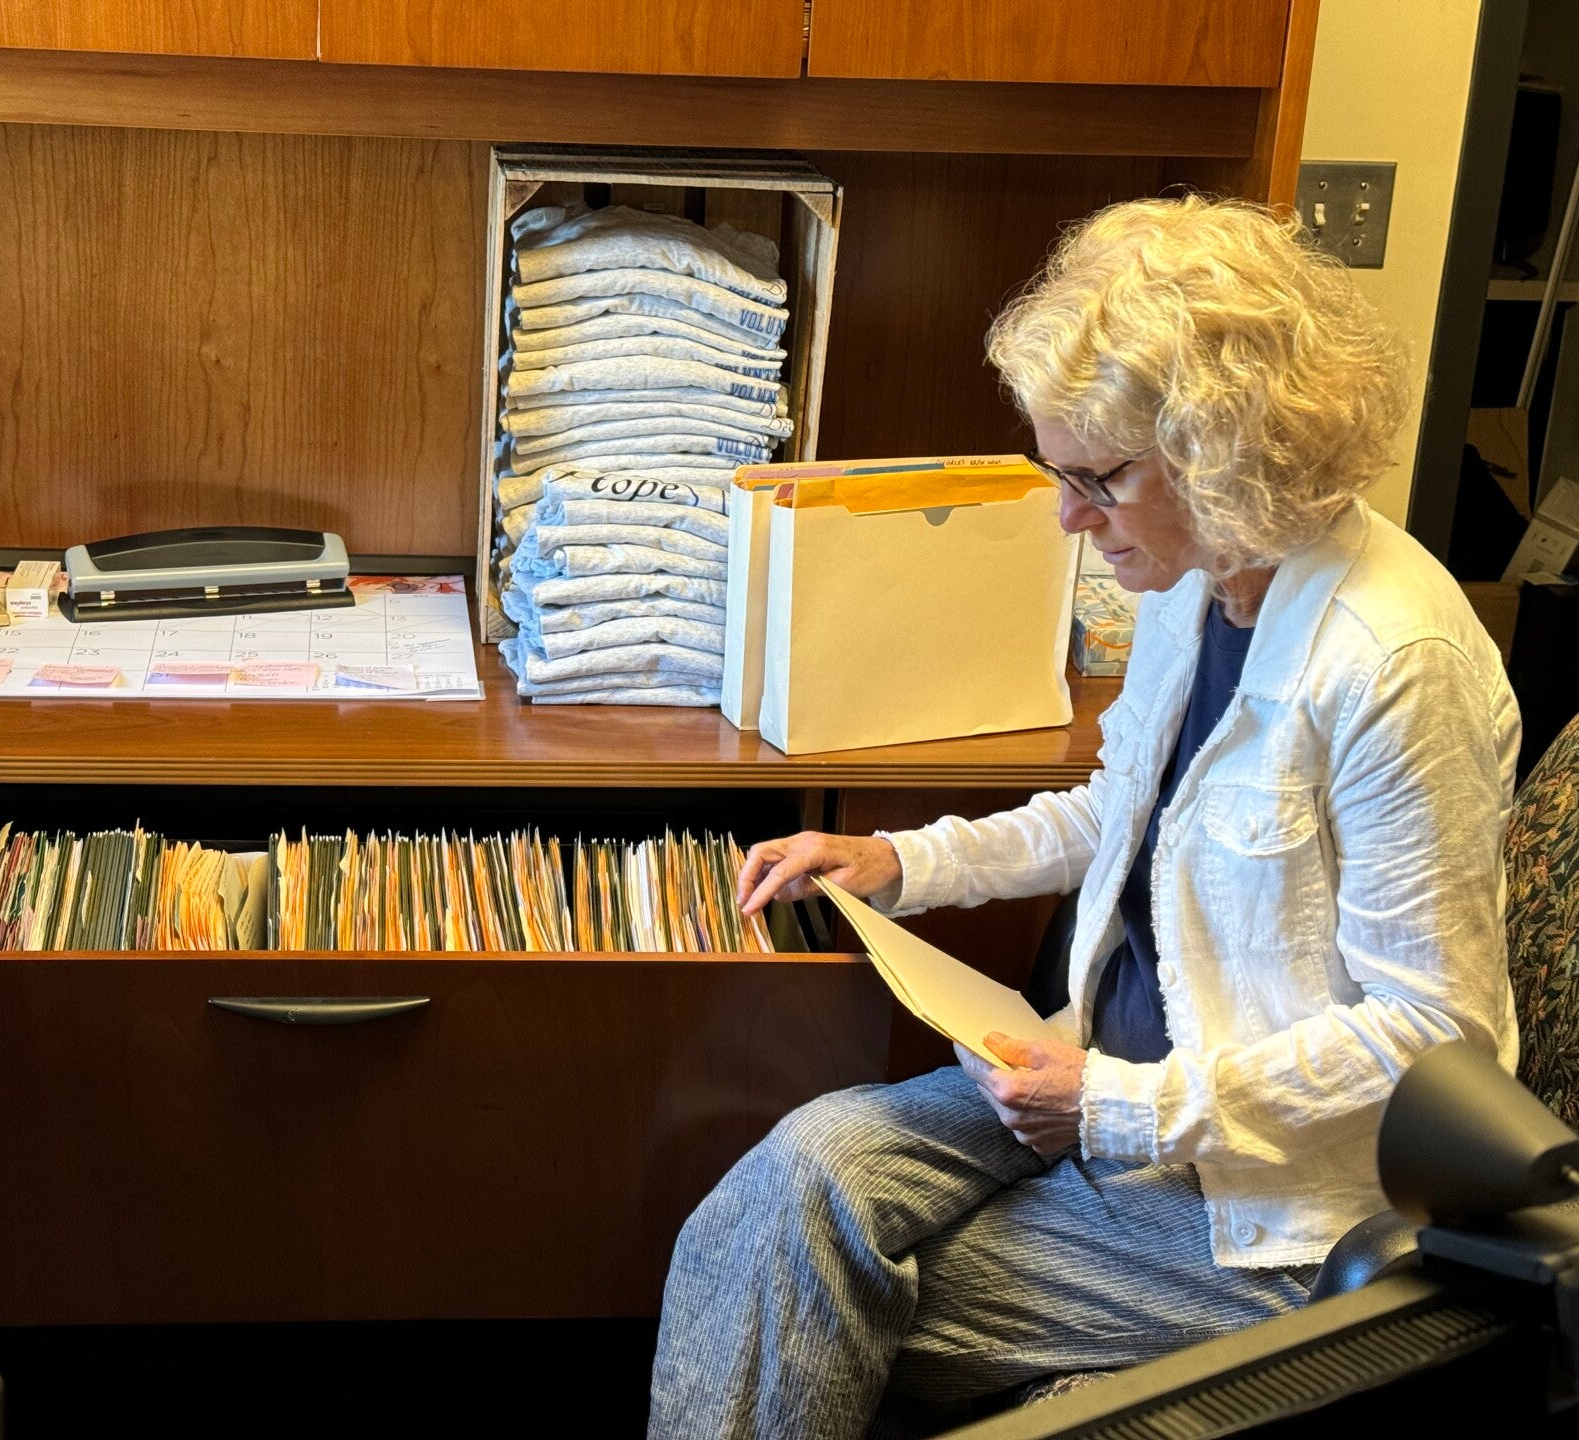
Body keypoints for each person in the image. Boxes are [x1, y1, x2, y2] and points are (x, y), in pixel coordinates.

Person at [648, 195, 1522, 1439]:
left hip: (1263, 1200)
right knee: (789, 1179)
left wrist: (1114, 1108)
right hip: (1091, 1076)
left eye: (1100, 480)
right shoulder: (1197, 579)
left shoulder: (1395, 662)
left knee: (783, 1284)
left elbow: (1437, 1036)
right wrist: (899, 860)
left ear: (1225, 453)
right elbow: (1119, 810)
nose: (1069, 516)